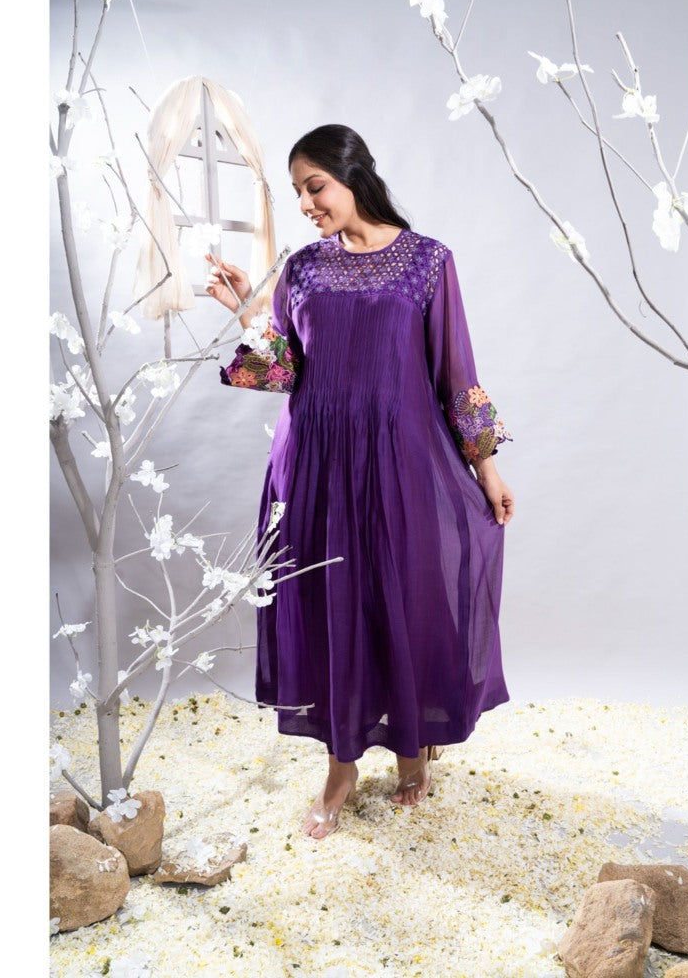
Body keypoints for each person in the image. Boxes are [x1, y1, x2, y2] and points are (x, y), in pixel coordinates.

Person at [206, 124, 515, 840]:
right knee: (328, 606)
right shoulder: (303, 268)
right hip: (314, 464)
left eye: (315, 186)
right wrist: (248, 309)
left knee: (402, 600)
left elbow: (457, 375)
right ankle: (341, 766)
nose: (306, 204)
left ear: (353, 175)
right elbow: (283, 369)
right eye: (298, 192)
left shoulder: (428, 262)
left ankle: (412, 745)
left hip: (400, 462)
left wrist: (488, 468)